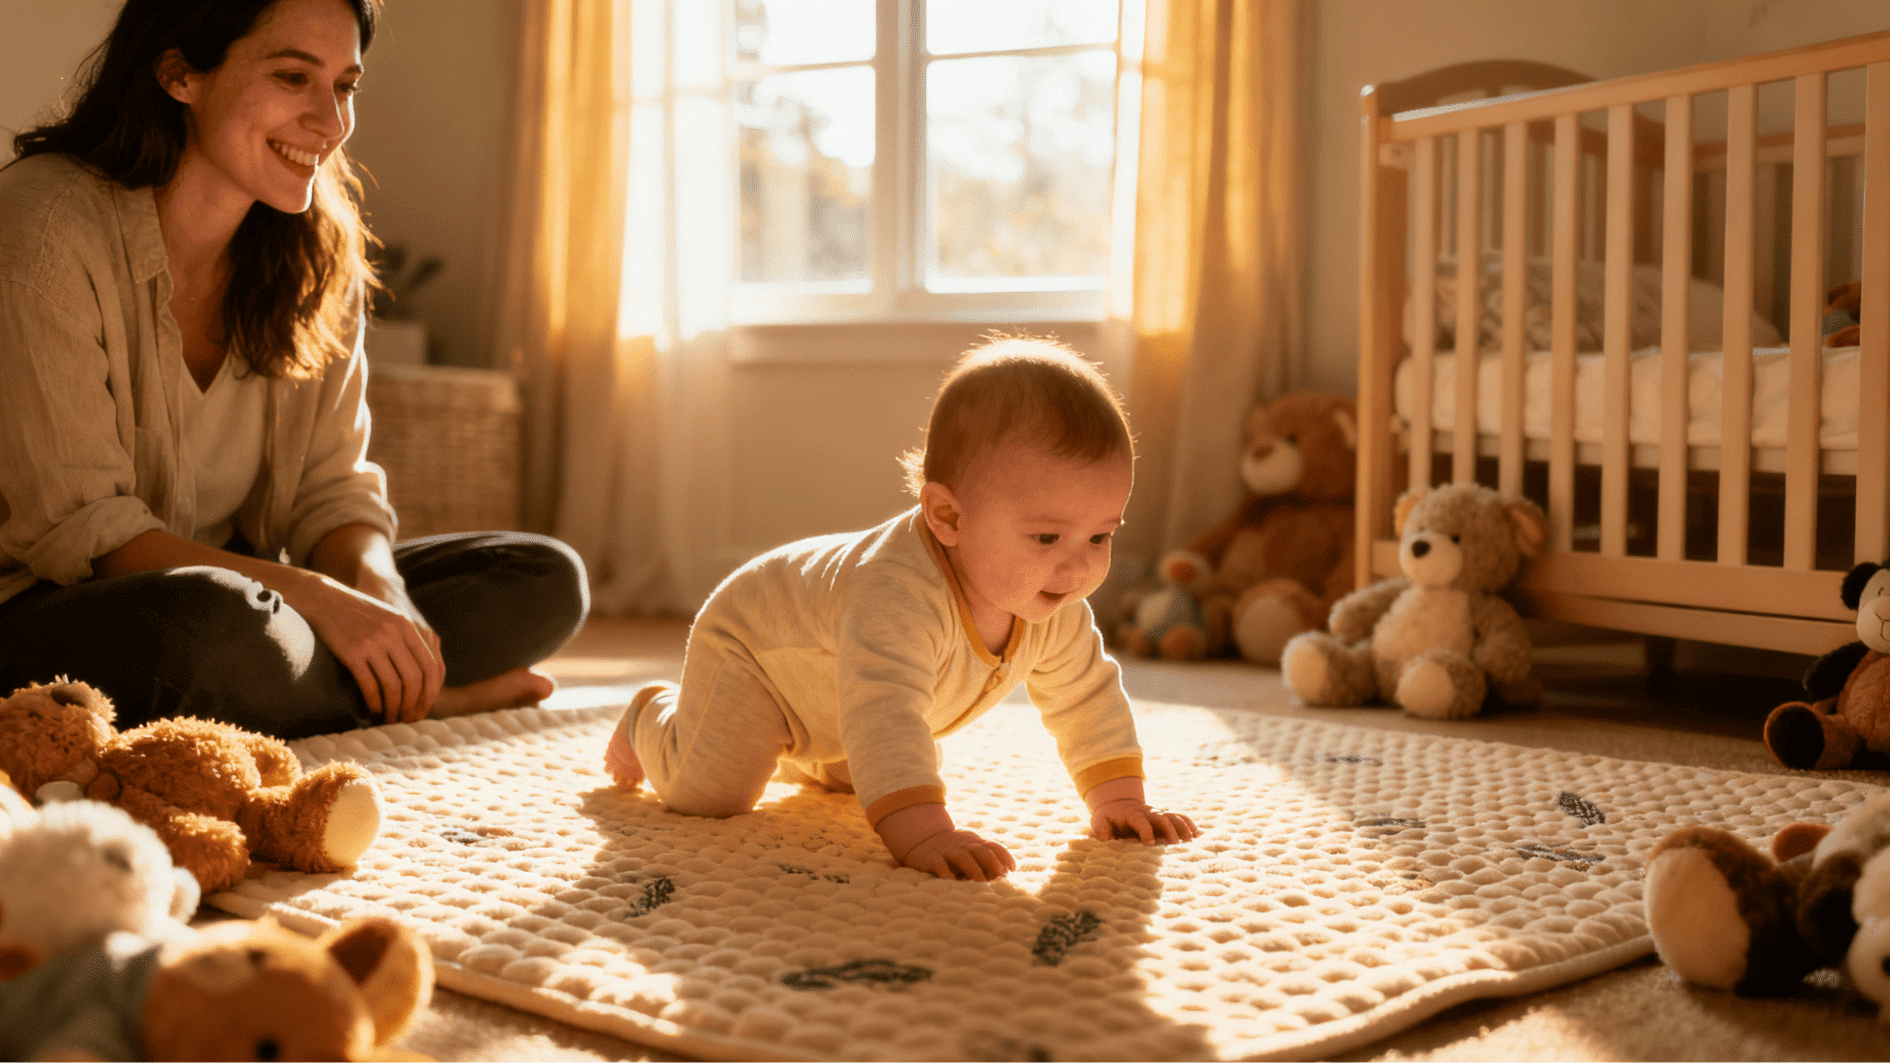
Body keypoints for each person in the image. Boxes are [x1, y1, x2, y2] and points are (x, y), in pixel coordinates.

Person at [0, 0, 588, 739]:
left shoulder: (317, 252)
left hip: (255, 605)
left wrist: (378, 589)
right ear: (180, 74)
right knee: (216, 629)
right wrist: (319, 600)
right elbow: (86, 533)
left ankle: (315, 689)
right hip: (53, 607)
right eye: (291, 77)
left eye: (344, 86)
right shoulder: (42, 228)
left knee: (540, 578)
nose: (331, 122)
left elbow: (331, 491)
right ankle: (412, 703)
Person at [602, 337, 1199, 881]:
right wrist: (927, 833)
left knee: (865, 771)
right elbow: (885, 709)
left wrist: (1120, 799)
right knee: (711, 793)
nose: (1078, 569)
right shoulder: (897, 593)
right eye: (1046, 538)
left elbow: (1086, 697)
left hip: (837, 685)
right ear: (947, 518)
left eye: (1100, 536)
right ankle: (649, 718)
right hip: (756, 654)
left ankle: (811, 758)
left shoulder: (1055, 601)